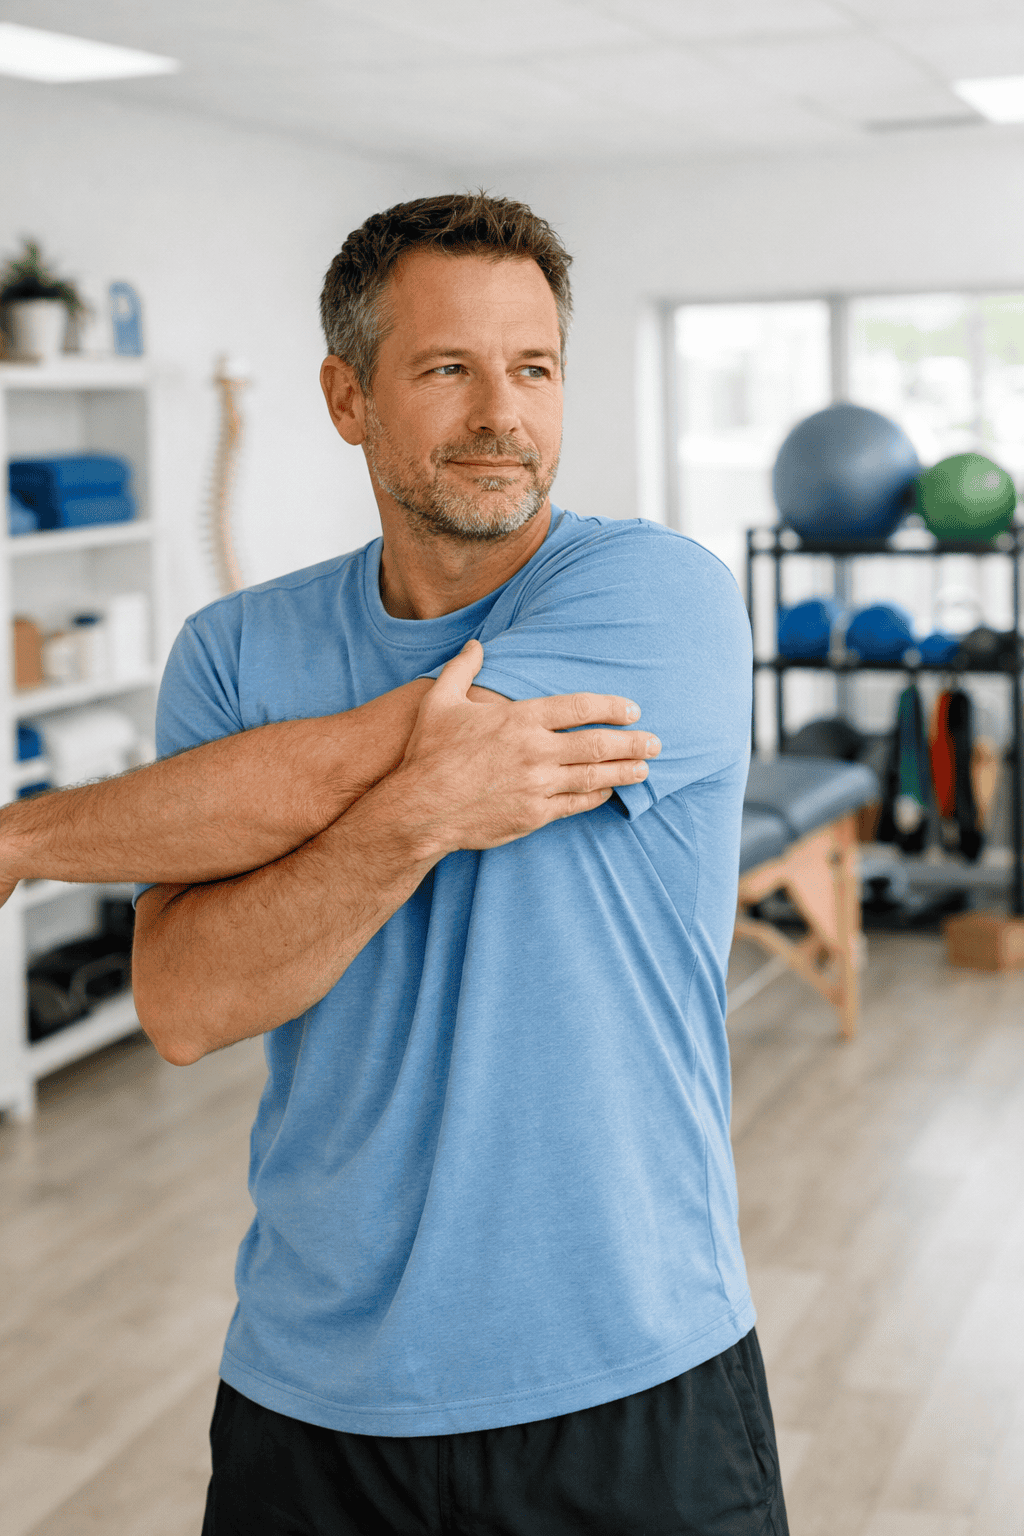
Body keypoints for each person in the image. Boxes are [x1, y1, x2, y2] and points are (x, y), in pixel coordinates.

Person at [0, 193, 786, 1535]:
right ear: (346, 395)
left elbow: (431, 749)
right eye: (447, 369)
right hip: (315, 1398)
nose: (503, 413)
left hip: (630, 1376)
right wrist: (422, 806)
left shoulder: (658, 594)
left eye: (533, 368)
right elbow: (186, 1008)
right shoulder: (234, 652)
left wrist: (23, 841)